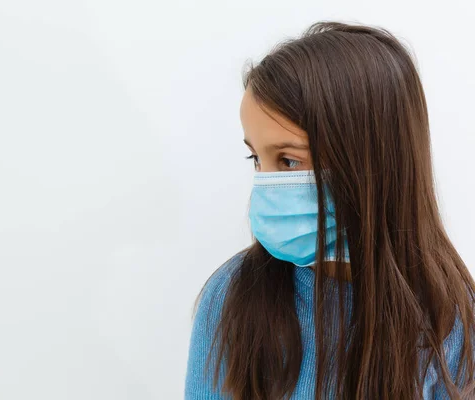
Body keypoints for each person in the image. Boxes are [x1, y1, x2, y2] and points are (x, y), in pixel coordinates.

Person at [184, 21, 475, 399]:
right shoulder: (231, 297)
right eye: (256, 158)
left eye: (288, 162)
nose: (265, 184)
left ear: (369, 163)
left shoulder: (448, 315)